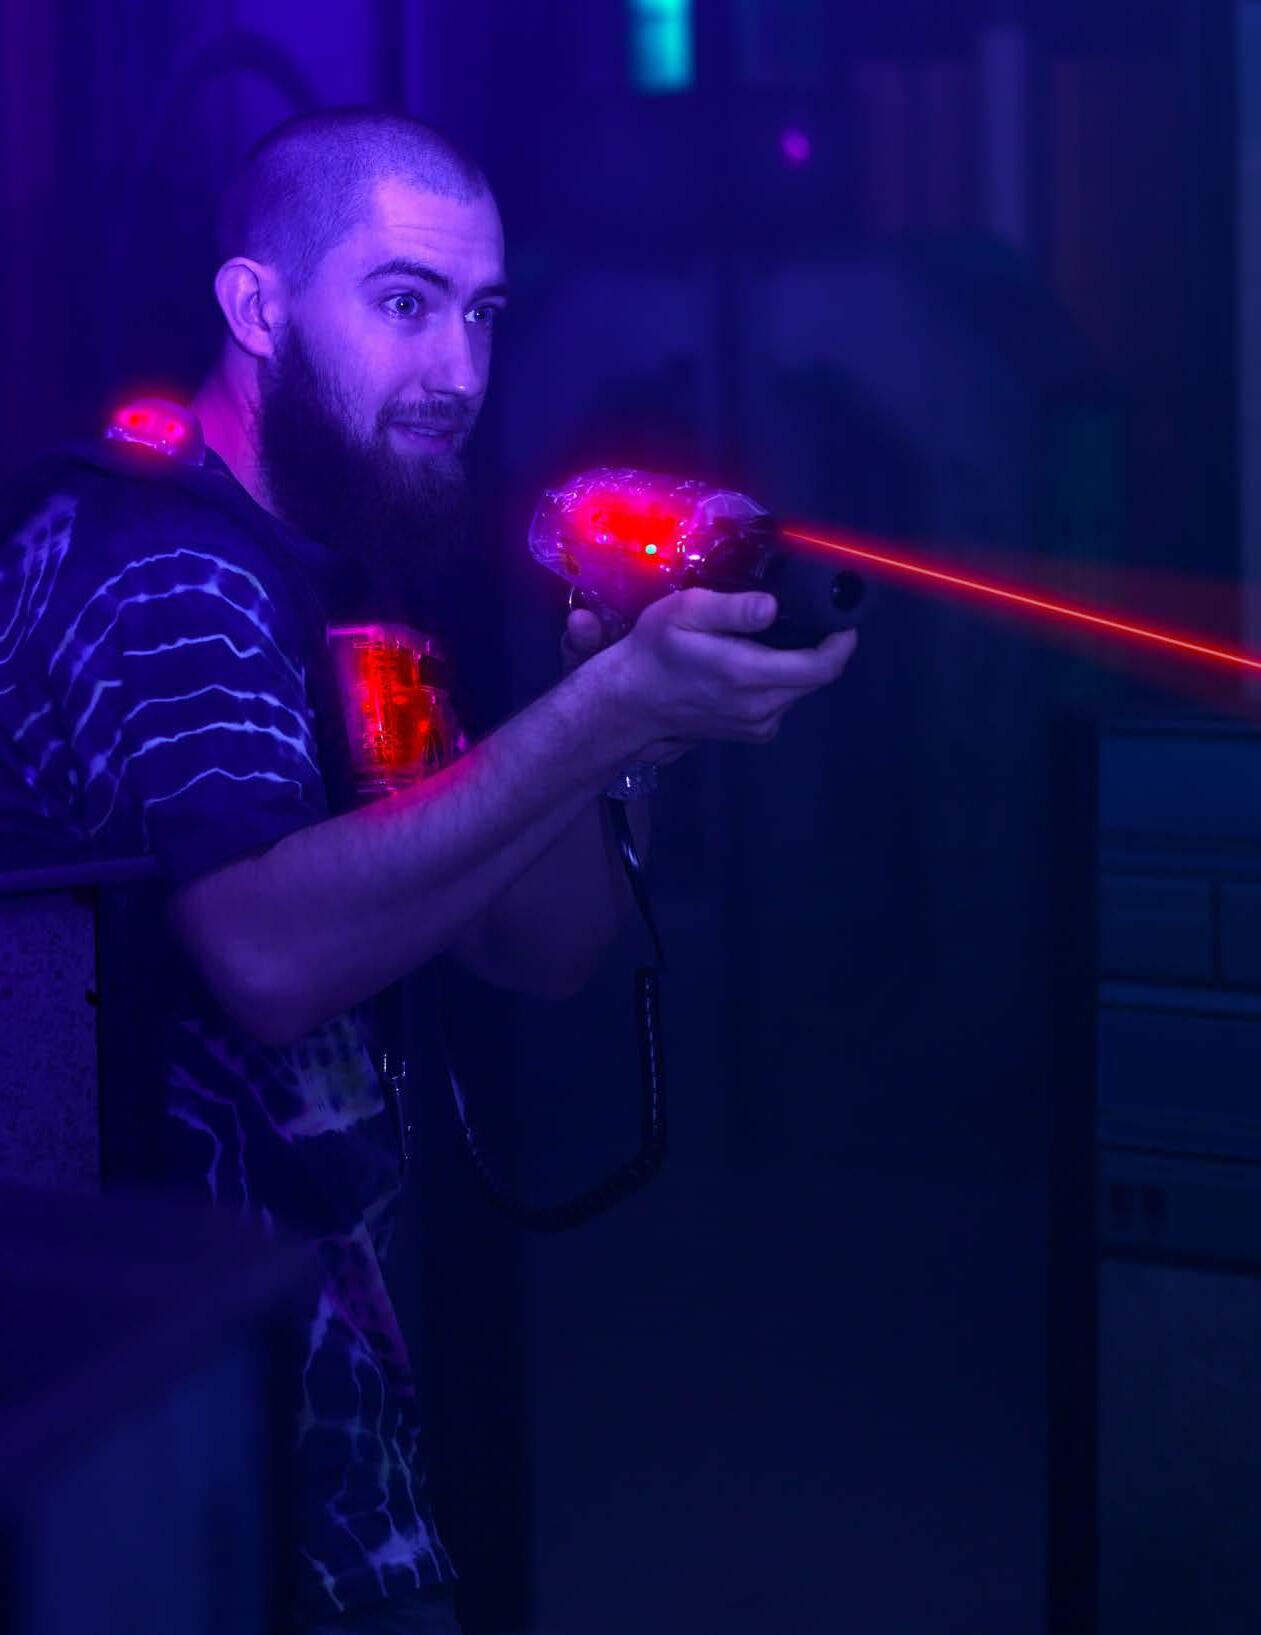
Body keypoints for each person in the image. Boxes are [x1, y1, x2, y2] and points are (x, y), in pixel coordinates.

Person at [0, 108, 858, 1632]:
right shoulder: (159, 561)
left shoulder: (335, 587)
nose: (457, 370)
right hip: (151, 1444)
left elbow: (543, 948)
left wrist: (616, 732)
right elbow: (264, 957)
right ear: (258, 308)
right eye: (403, 302)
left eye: (482, 313)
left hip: (330, 1428)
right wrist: (606, 710)